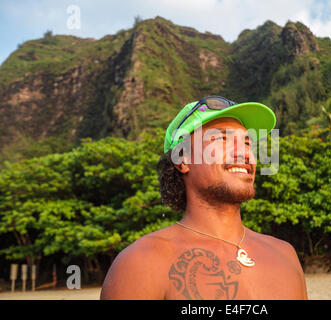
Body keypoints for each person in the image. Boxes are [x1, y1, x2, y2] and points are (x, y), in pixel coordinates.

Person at [100, 96, 308, 300]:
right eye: (222, 139)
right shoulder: (142, 262)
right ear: (182, 160)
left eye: (246, 143)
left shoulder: (284, 254)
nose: (244, 153)